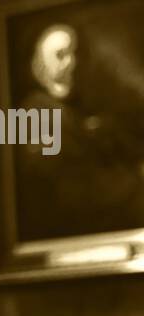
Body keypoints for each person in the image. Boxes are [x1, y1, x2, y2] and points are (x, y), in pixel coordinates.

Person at [16, 22, 144, 240]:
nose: (71, 63)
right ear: (38, 66)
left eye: (74, 54)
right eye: (60, 55)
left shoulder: (74, 109)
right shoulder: (36, 113)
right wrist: (137, 179)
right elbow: (74, 190)